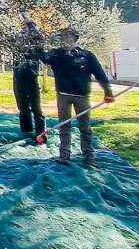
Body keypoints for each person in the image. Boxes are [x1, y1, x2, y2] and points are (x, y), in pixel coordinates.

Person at [33, 27, 115, 167]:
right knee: (64, 126)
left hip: (81, 96)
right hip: (63, 95)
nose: (62, 38)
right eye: (61, 36)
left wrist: (108, 92)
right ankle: (64, 155)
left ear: (73, 37)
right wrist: (36, 40)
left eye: (65, 35)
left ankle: (89, 157)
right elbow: (43, 57)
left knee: (85, 127)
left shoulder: (86, 56)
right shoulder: (56, 54)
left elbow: (99, 74)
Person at [9, 10, 46, 140]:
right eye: (23, 26)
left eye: (27, 26)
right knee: (23, 108)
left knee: (37, 108)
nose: (24, 28)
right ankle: (26, 134)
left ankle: (41, 134)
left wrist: (28, 20)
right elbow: (11, 40)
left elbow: (39, 37)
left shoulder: (36, 44)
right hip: (19, 76)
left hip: (32, 76)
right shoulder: (16, 40)